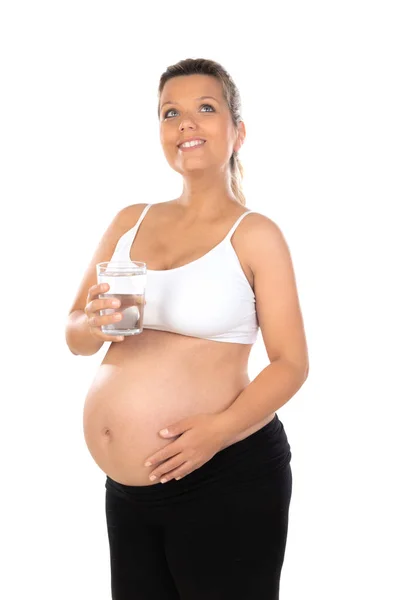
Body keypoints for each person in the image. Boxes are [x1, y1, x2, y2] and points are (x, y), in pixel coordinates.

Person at [65, 57, 309, 600]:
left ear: (237, 131)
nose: (186, 124)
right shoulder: (131, 220)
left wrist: (217, 433)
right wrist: (96, 324)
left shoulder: (256, 234)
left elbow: (291, 363)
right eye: (170, 113)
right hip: (129, 495)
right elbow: (75, 331)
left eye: (205, 108)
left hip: (225, 474)